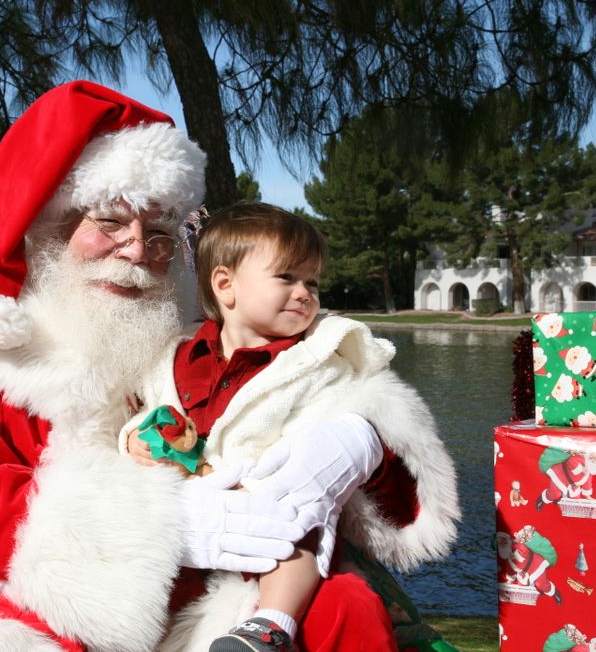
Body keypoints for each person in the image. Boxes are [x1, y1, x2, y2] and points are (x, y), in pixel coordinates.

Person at [0, 81, 457, 652]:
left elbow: (291, 408)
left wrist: (360, 437)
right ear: (51, 224)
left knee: (342, 604)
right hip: (14, 577)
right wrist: (162, 522)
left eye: (160, 232)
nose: (138, 250)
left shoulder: (194, 325)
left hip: (207, 576)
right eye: (109, 223)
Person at [122, 203, 461, 651]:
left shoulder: (322, 362)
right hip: (189, 537)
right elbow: (146, 415)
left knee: (330, 573)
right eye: (287, 278)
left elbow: (355, 432)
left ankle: (271, 624)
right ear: (225, 285)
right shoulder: (174, 359)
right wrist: (133, 439)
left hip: (281, 527)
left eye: (313, 282)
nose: (305, 293)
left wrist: (345, 451)